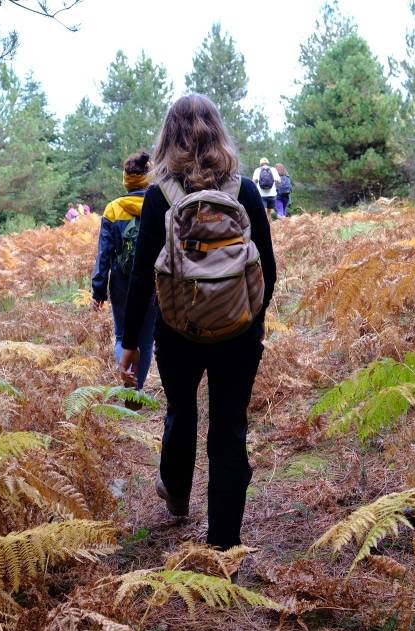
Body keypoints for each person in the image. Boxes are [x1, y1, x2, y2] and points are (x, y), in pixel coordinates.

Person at [120, 94, 277, 550]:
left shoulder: (157, 196)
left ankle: (177, 494)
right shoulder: (244, 191)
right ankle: (224, 544)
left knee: (181, 409)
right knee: (229, 427)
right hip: (237, 332)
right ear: (218, 132)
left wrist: (131, 341)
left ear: (167, 137)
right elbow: (266, 268)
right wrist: (252, 321)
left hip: (178, 331)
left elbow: (142, 277)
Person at [91, 151, 156, 392]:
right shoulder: (157, 205)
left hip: (121, 281)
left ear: (126, 180)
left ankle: (127, 385)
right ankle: (137, 392)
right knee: (146, 341)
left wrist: (98, 291)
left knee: (121, 336)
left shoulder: (113, 209)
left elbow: (103, 255)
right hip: (153, 280)